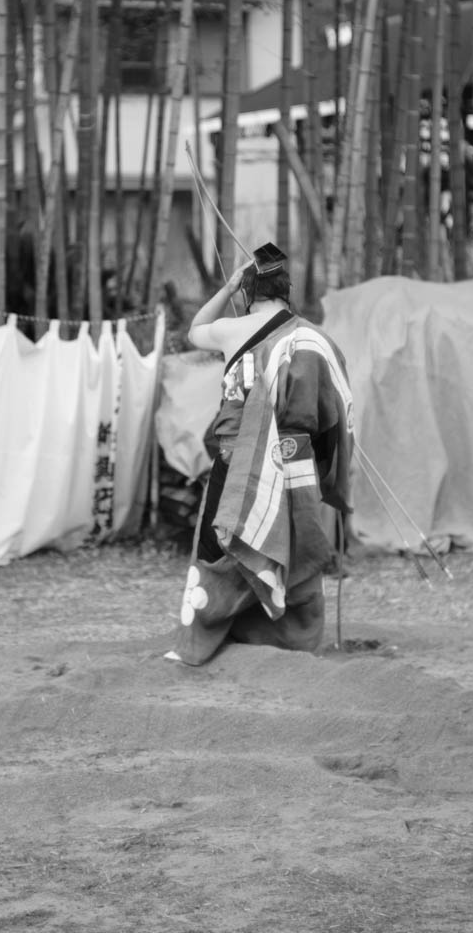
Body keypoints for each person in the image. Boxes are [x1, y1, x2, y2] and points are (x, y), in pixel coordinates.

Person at [167, 242, 354, 667]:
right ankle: (295, 639)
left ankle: (207, 638)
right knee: (297, 547)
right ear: (287, 290)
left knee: (222, 546)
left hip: (242, 462)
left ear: (249, 292)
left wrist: (228, 287)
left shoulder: (234, 329)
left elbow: (195, 329)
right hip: (297, 462)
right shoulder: (312, 337)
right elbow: (334, 409)